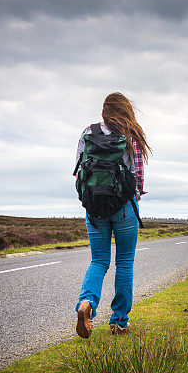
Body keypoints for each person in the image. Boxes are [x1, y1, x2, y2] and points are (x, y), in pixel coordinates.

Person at [74, 92, 150, 338]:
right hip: (125, 207)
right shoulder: (131, 136)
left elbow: (78, 173)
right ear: (126, 110)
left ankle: (87, 304)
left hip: (94, 207)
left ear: (104, 111)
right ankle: (119, 322)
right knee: (124, 263)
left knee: (99, 261)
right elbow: (137, 179)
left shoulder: (88, 132)